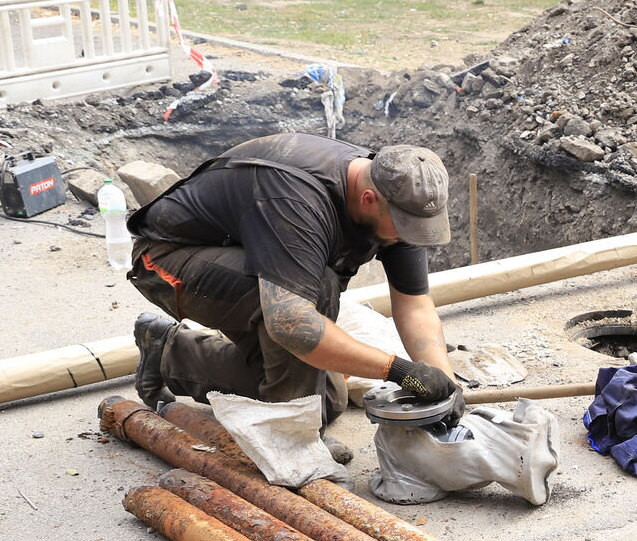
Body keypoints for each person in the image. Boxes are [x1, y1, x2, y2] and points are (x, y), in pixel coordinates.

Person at [126, 133, 459, 455]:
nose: (408, 236)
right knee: (317, 295)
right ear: (369, 200)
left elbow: (414, 304)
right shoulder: (297, 199)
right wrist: (399, 370)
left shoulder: (398, 199)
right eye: (403, 226)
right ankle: (288, 435)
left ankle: (169, 353)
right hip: (169, 259)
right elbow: (292, 323)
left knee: (327, 400)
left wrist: (444, 383)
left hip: (256, 262)